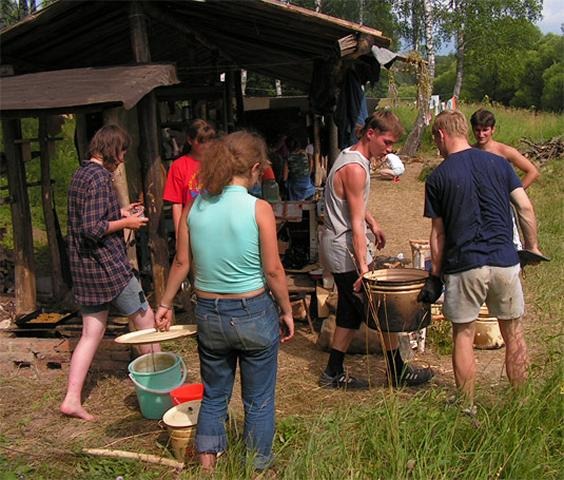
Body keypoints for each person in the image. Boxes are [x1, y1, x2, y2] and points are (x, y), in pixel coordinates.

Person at [155, 131, 294, 473]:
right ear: (255, 168)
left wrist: (165, 304)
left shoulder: (195, 206)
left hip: (208, 312)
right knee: (258, 400)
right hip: (253, 310)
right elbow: (273, 270)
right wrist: (287, 310)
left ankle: (207, 468)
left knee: (215, 395)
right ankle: (256, 468)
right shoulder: (259, 208)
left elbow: (181, 262)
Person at [420, 110, 543, 407]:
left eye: (435, 140)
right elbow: (525, 208)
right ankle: (521, 403)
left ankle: (467, 406)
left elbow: (438, 235)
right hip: (505, 261)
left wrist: (435, 276)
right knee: (513, 333)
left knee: (463, 335)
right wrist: (531, 247)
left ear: (441, 135)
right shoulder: (499, 164)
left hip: (464, 265)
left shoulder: (438, 177)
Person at [319, 110, 433, 390]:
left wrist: (374, 223)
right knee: (380, 307)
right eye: (387, 142)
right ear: (370, 134)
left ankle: (334, 372)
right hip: (345, 248)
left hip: (339, 244)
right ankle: (396, 372)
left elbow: (355, 205)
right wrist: (365, 270)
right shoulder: (356, 169)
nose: (389, 149)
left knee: (351, 311)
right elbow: (355, 226)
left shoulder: (350, 157)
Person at [60, 125, 159, 421]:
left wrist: (121, 213)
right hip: (107, 267)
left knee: (91, 333)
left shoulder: (81, 174)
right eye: (122, 152)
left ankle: (71, 399)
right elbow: (92, 229)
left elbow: (90, 217)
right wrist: (126, 224)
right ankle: (159, 385)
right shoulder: (100, 179)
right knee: (146, 319)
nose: (123, 158)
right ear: (112, 150)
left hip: (85, 268)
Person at [163, 119, 216, 233]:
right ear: (190, 141)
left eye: (209, 141)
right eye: (202, 141)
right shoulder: (178, 166)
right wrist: (179, 234)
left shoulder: (218, 163)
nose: (207, 145)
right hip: (192, 226)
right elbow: (176, 204)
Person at [283, 136, 316, 201]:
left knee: (288, 185)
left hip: (295, 187)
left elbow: (285, 177)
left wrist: (284, 183)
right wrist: (308, 175)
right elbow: (310, 164)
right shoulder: (304, 154)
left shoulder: (288, 158)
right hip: (307, 185)